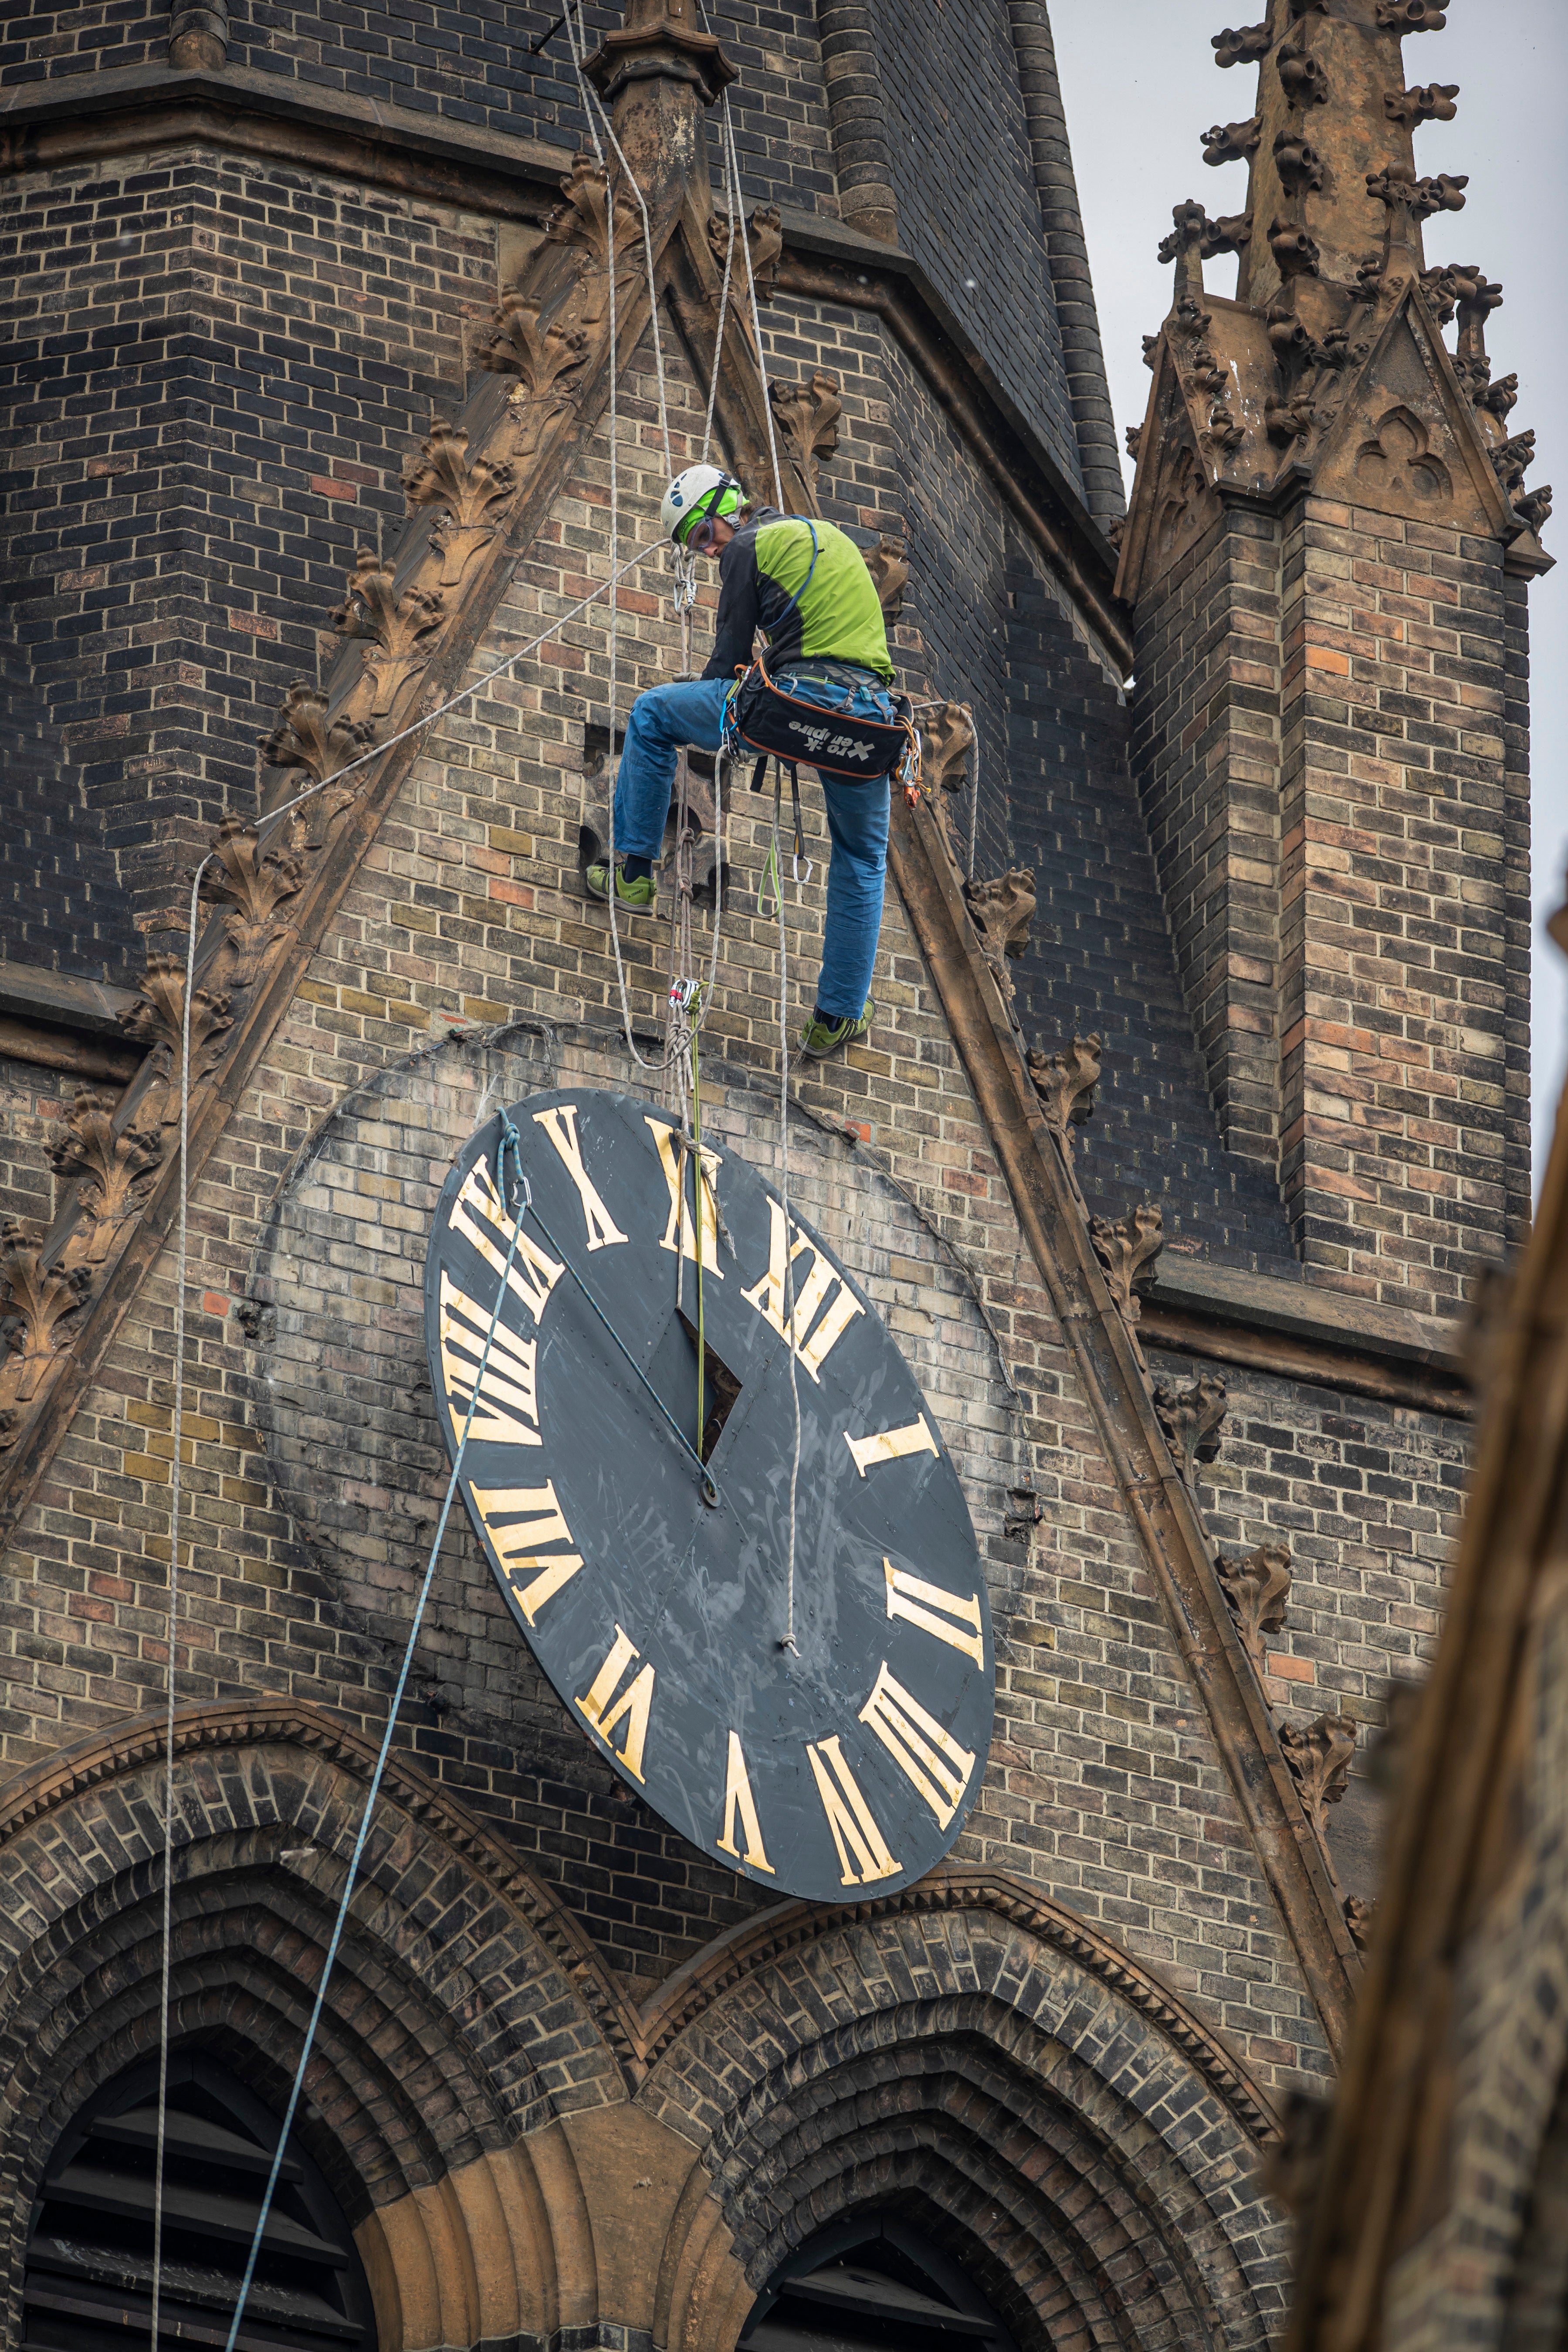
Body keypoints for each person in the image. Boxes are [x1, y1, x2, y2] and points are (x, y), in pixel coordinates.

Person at [584, 464, 900, 1061]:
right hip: (868, 722)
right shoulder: (831, 540)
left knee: (653, 714)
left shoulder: (748, 548)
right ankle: (838, 1014)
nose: (708, 552)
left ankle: (633, 876)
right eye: (697, 546)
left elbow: (728, 656)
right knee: (863, 857)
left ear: (731, 505)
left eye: (705, 534)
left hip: (792, 707)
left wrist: (699, 702)